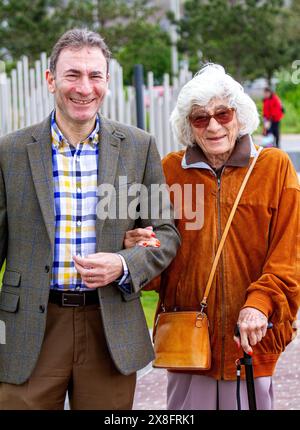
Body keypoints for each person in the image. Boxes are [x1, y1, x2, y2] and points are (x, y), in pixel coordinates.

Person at [0, 28, 180, 410]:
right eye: (73, 74)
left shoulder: (139, 146)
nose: (85, 87)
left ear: (107, 82)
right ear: (50, 80)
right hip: (30, 329)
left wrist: (122, 262)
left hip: (108, 326)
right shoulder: (10, 151)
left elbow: (165, 233)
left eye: (95, 75)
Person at [124, 64, 300, 410]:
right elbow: (159, 260)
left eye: (223, 112)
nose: (214, 125)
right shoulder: (169, 171)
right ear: (188, 126)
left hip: (251, 341)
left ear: (240, 114)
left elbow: (290, 254)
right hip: (187, 342)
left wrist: (260, 304)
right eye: (200, 118)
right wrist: (139, 251)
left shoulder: (274, 168)